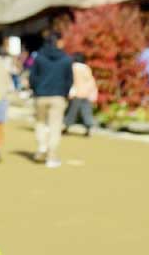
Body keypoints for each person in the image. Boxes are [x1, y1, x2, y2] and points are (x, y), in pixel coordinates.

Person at [28, 30, 74, 167]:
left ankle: (42, 147)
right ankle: (52, 156)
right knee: (55, 126)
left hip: (40, 96)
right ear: (58, 42)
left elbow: (32, 77)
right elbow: (69, 80)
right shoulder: (66, 59)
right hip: (58, 97)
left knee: (40, 123)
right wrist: (64, 93)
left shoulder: (39, 57)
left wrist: (36, 90)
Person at [66, 52, 100, 136]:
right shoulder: (86, 68)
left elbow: (72, 81)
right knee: (86, 112)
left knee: (72, 111)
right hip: (87, 93)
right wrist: (92, 93)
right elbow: (91, 81)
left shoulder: (74, 67)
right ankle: (89, 128)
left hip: (77, 93)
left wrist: (71, 92)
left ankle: (66, 126)